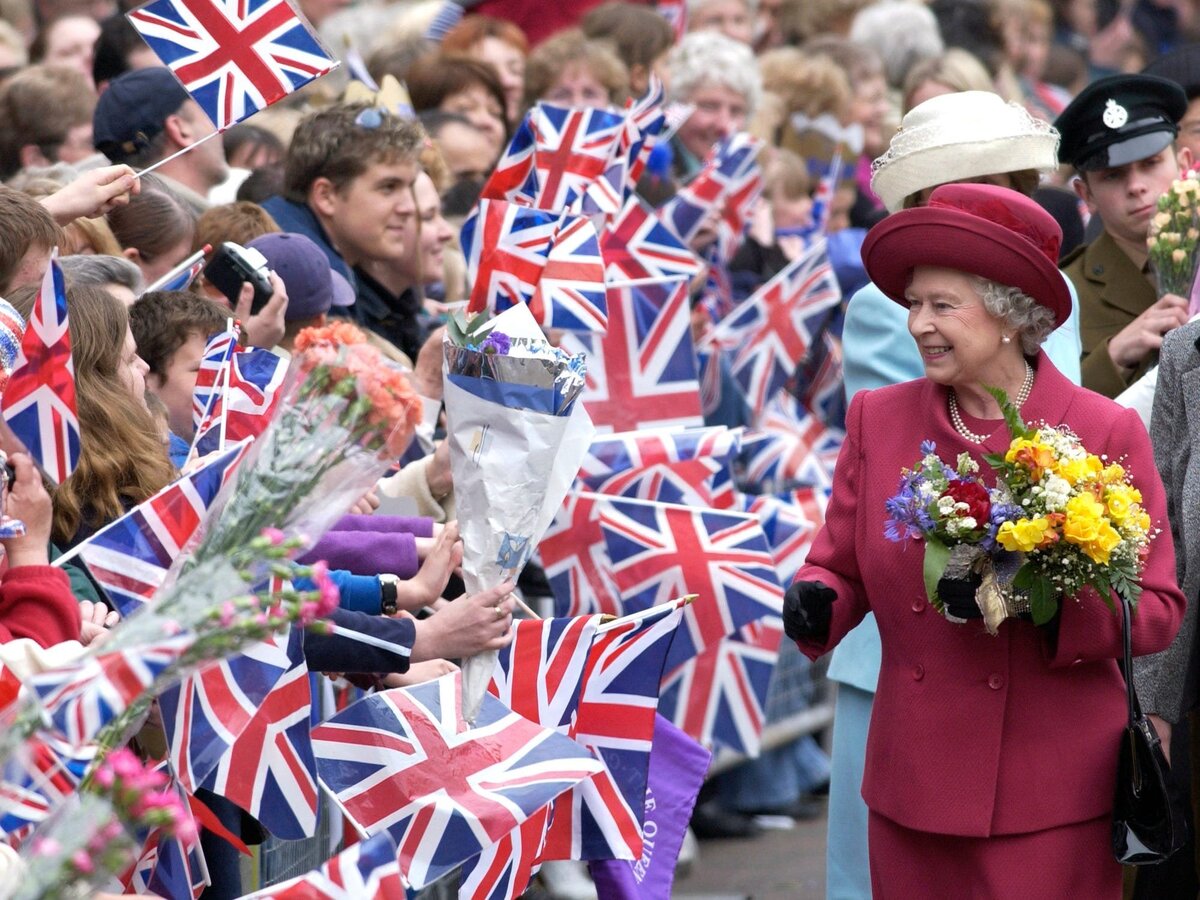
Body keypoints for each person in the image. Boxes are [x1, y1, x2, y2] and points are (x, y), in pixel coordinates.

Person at [787, 182, 1185, 898]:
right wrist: (819, 599)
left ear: (1007, 316)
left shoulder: (1101, 431)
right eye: (913, 304)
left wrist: (1053, 605)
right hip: (913, 785)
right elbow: (840, 563)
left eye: (942, 306)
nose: (917, 325)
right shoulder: (879, 419)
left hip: (1052, 792)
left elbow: (1156, 608)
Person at [827, 87, 1083, 900]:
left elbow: (1065, 413)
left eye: (1012, 182)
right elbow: (918, 459)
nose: (1005, 201)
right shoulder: (885, 307)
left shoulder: (1044, 290)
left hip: (1026, 631)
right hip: (915, 636)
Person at [1056, 74, 1192, 398]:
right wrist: (1114, 356)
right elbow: (1045, 417)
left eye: (1151, 163)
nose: (1136, 186)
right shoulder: (1066, 295)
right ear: (1085, 193)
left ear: (1184, 163)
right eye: (1113, 175)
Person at [92, 67, 229, 210]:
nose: (221, 129)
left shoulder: (107, 221)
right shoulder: (196, 229)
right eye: (207, 112)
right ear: (181, 130)